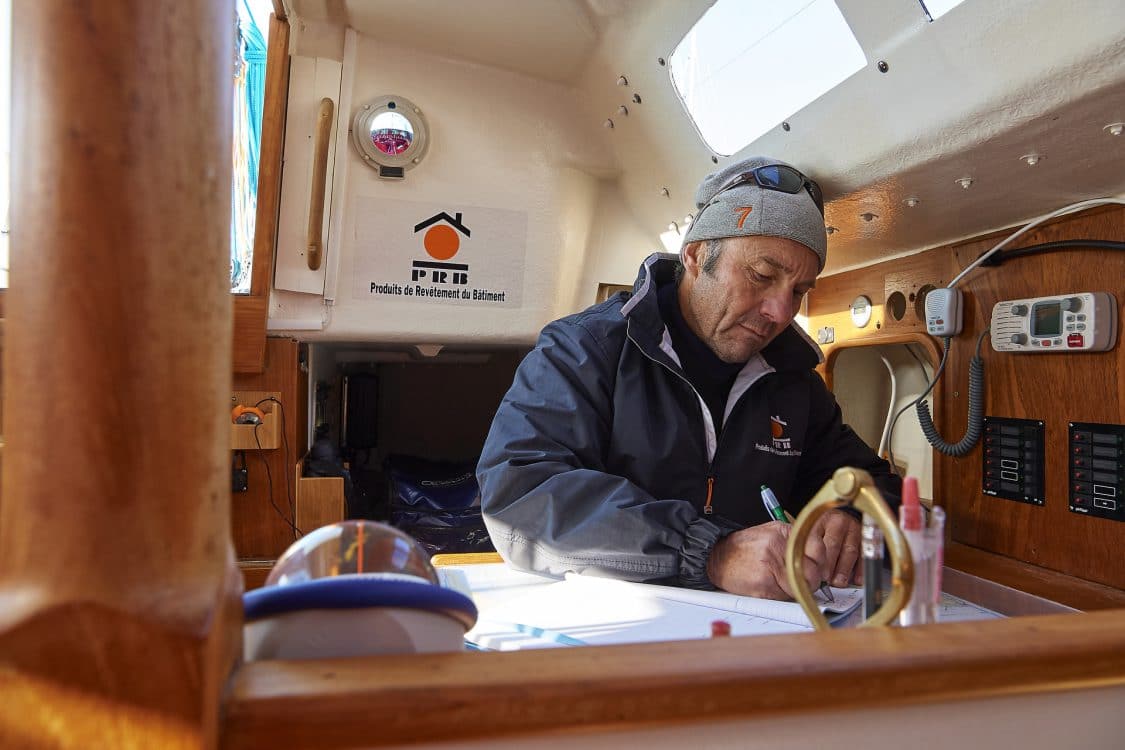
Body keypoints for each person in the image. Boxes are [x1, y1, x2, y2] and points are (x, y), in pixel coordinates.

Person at [476, 156, 901, 600]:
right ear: (697, 255)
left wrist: (850, 518)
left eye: (798, 292)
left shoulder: (793, 381)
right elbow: (520, 495)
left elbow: (874, 485)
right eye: (761, 275)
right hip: (616, 627)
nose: (780, 311)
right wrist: (710, 553)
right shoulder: (584, 349)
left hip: (756, 636)